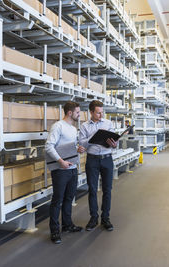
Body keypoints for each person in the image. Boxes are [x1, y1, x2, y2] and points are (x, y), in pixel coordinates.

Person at [45, 101, 86, 244]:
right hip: (61, 170)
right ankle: (54, 231)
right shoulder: (58, 126)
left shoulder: (73, 129)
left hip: (72, 169)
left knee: (69, 199)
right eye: (77, 112)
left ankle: (67, 225)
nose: (79, 114)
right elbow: (48, 147)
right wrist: (60, 161)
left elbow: (70, 147)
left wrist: (78, 149)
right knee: (57, 201)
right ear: (70, 112)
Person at [79, 100, 117, 231]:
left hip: (107, 159)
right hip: (92, 160)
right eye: (98, 113)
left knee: (107, 189)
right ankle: (93, 218)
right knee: (92, 189)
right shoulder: (84, 126)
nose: (101, 115)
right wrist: (93, 138)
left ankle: (105, 218)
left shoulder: (108, 123)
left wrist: (114, 144)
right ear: (91, 112)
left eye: (102, 112)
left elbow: (114, 140)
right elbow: (82, 143)